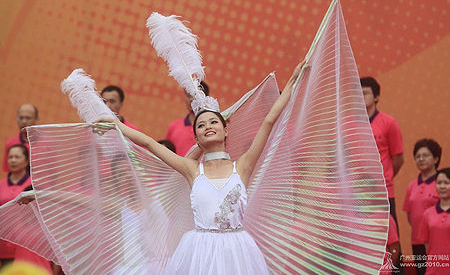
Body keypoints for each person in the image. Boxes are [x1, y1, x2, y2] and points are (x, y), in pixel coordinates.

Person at [96, 60, 306, 274]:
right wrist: (116, 125)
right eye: (201, 125)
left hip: (237, 253)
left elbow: (269, 121)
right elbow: (149, 143)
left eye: (214, 122)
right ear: (196, 137)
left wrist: (293, 80)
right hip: (198, 254)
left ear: (226, 131)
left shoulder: (243, 165)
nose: (208, 127)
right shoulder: (192, 169)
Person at [0, 145, 52, 273]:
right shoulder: (1, 184)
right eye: (10, 157)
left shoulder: (35, 184)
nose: (12, 160)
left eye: (17, 157)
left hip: (30, 242)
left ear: (26, 160)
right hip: (4, 244)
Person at [360, 77, 404, 225]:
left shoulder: (389, 123)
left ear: (376, 97)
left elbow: (398, 158)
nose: (361, 96)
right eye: (358, 93)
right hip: (359, 192)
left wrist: (387, 175)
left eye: (365, 93)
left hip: (383, 191)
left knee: (388, 235)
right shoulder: (351, 124)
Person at [403, 138, 441, 275]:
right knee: (421, 271)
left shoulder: (442, 183)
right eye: (417, 156)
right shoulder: (411, 185)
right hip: (417, 240)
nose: (421, 159)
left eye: (425, 155)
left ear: (436, 159)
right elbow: (409, 215)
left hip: (438, 241)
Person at [417, 168, 450, 275]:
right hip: (434, 270)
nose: (442, 186)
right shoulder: (428, 214)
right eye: (439, 183)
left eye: (446, 183)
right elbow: (427, 245)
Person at [165, 81, 210, 156]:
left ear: (205, 98)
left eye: (196, 96)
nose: (191, 99)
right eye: (188, 95)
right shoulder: (174, 126)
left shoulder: (211, 127)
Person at [2, 104, 38, 172]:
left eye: (28, 118)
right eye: (21, 118)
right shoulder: (10, 143)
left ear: (36, 120)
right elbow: (8, 171)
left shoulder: (47, 143)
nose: (24, 121)